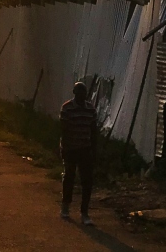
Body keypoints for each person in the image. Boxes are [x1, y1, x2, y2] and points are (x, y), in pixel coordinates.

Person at [60, 82, 97, 225]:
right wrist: (64, 148)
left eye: (84, 92)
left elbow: (94, 131)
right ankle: (65, 206)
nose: (82, 95)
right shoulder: (67, 108)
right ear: (75, 93)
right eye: (79, 92)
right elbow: (64, 130)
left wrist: (94, 150)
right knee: (69, 177)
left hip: (85, 149)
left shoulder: (90, 109)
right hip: (71, 148)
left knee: (87, 181)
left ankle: (84, 212)